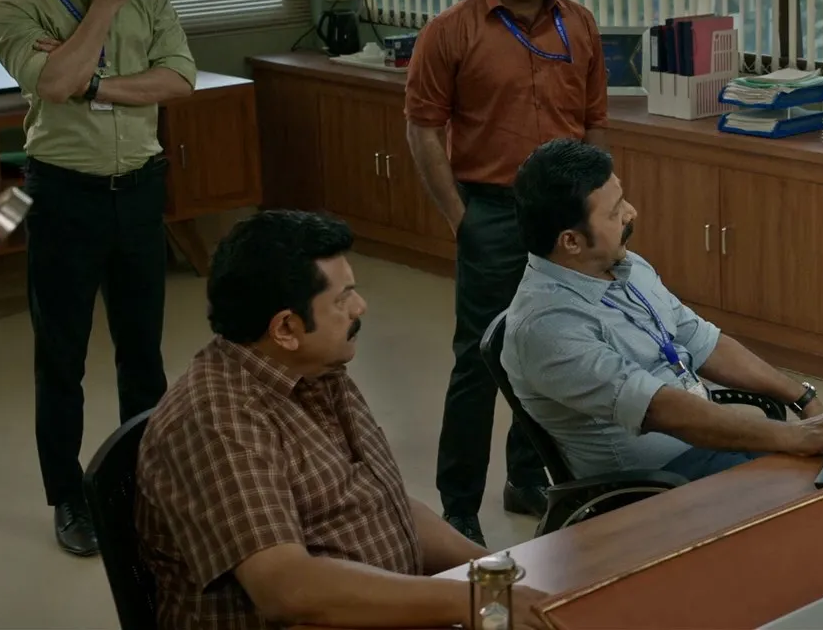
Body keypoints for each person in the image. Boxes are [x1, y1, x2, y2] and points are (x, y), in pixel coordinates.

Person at [136, 210, 548, 629]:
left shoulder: (316, 369)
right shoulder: (217, 422)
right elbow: (287, 588)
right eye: (342, 298)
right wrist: (472, 600)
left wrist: (500, 575)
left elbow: (385, 506)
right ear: (285, 328)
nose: (359, 307)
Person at [0, 0, 196, 556]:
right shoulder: (15, 3)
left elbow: (179, 79)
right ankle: (69, 497)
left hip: (138, 190)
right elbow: (50, 85)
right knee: (62, 360)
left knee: (142, 354)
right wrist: (102, 9)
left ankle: (145, 483)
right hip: (64, 196)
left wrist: (94, 84)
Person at [404, 0, 609, 543]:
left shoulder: (579, 24)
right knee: (480, 359)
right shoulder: (452, 30)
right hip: (491, 209)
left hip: (565, 216)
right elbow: (423, 129)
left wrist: (597, 208)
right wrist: (460, 217)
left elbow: (594, 122)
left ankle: (527, 476)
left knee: (554, 347)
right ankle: (459, 504)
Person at [498, 139, 823, 482]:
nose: (632, 213)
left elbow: (704, 342)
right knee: (818, 496)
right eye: (615, 212)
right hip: (656, 482)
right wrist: (791, 436)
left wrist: (803, 399)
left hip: (706, 442)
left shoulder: (624, 265)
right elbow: (660, 409)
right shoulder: (547, 327)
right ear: (571, 241)